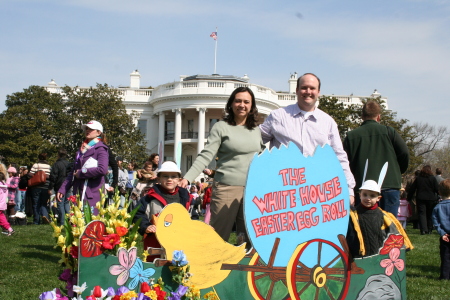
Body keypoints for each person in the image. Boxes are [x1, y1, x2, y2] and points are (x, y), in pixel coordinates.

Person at [180, 87, 265, 247]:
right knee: (218, 236)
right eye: (238, 101)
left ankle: (242, 271)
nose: (242, 105)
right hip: (226, 188)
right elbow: (206, 155)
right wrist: (187, 178)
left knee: (247, 237)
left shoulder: (255, 130)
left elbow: (261, 157)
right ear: (231, 104)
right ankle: (209, 268)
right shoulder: (221, 127)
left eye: (246, 102)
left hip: (252, 189)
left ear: (252, 106)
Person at [260, 73, 356, 205]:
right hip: (283, 189)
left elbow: (339, 156)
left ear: (318, 92)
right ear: (297, 90)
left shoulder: (328, 122)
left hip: (318, 189)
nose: (308, 92)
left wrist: (348, 188)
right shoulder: (278, 116)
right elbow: (254, 141)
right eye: (304, 88)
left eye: (312, 88)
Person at [343, 100, 409, 216]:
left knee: (364, 227)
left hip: (363, 188)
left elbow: (344, 163)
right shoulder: (389, 132)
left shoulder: (351, 136)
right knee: (390, 226)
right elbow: (404, 153)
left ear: (362, 116)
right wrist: (397, 172)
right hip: (389, 184)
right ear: (379, 117)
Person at [134, 161, 192, 262]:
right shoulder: (149, 198)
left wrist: (201, 227)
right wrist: (146, 226)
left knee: (179, 271)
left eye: (173, 176)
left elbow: (193, 217)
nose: (169, 179)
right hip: (156, 243)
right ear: (158, 178)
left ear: (179, 179)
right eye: (165, 176)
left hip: (180, 242)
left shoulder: (186, 198)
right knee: (156, 271)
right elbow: (137, 214)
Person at [347, 179, 413, 257]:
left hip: (378, 255)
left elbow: (393, 233)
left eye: (372, 196)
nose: (368, 198)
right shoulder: (352, 214)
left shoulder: (384, 216)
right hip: (357, 255)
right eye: (365, 194)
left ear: (378, 198)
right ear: (360, 195)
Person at [57, 120, 109, 215]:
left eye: (91, 129)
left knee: (90, 225)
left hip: (92, 194)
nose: (87, 131)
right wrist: (63, 189)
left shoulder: (101, 149)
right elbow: (73, 172)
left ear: (99, 132)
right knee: (76, 225)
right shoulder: (82, 150)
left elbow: (103, 169)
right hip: (78, 192)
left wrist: (81, 173)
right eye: (86, 129)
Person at [408, 165, 439, 235]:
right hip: (431, 198)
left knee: (422, 214)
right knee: (429, 214)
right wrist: (439, 196)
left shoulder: (419, 178)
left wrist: (409, 198)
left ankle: (423, 229)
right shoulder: (433, 178)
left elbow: (412, 189)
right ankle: (430, 229)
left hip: (420, 198)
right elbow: (437, 189)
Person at [432, 179, 450, 280]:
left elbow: (436, 223)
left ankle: (445, 276)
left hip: (445, 236)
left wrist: (442, 233)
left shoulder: (437, 207)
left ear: (439, 192)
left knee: (445, 257)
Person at [48, 149, 72, 226]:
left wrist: (50, 187)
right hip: (68, 185)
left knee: (60, 204)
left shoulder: (56, 164)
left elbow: (53, 177)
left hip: (59, 185)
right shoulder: (68, 163)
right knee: (67, 203)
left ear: (58, 155)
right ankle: (69, 220)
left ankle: (62, 222)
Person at [29, 153, 52, 224]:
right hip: (46, 186)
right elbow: (51, 175)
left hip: (37, 186)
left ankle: (36, 220)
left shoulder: (36, 165)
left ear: (38, 158)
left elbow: (30, 174)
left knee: (36, 203)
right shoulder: (49, 166)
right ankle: (45, 216)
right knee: (44, 203)